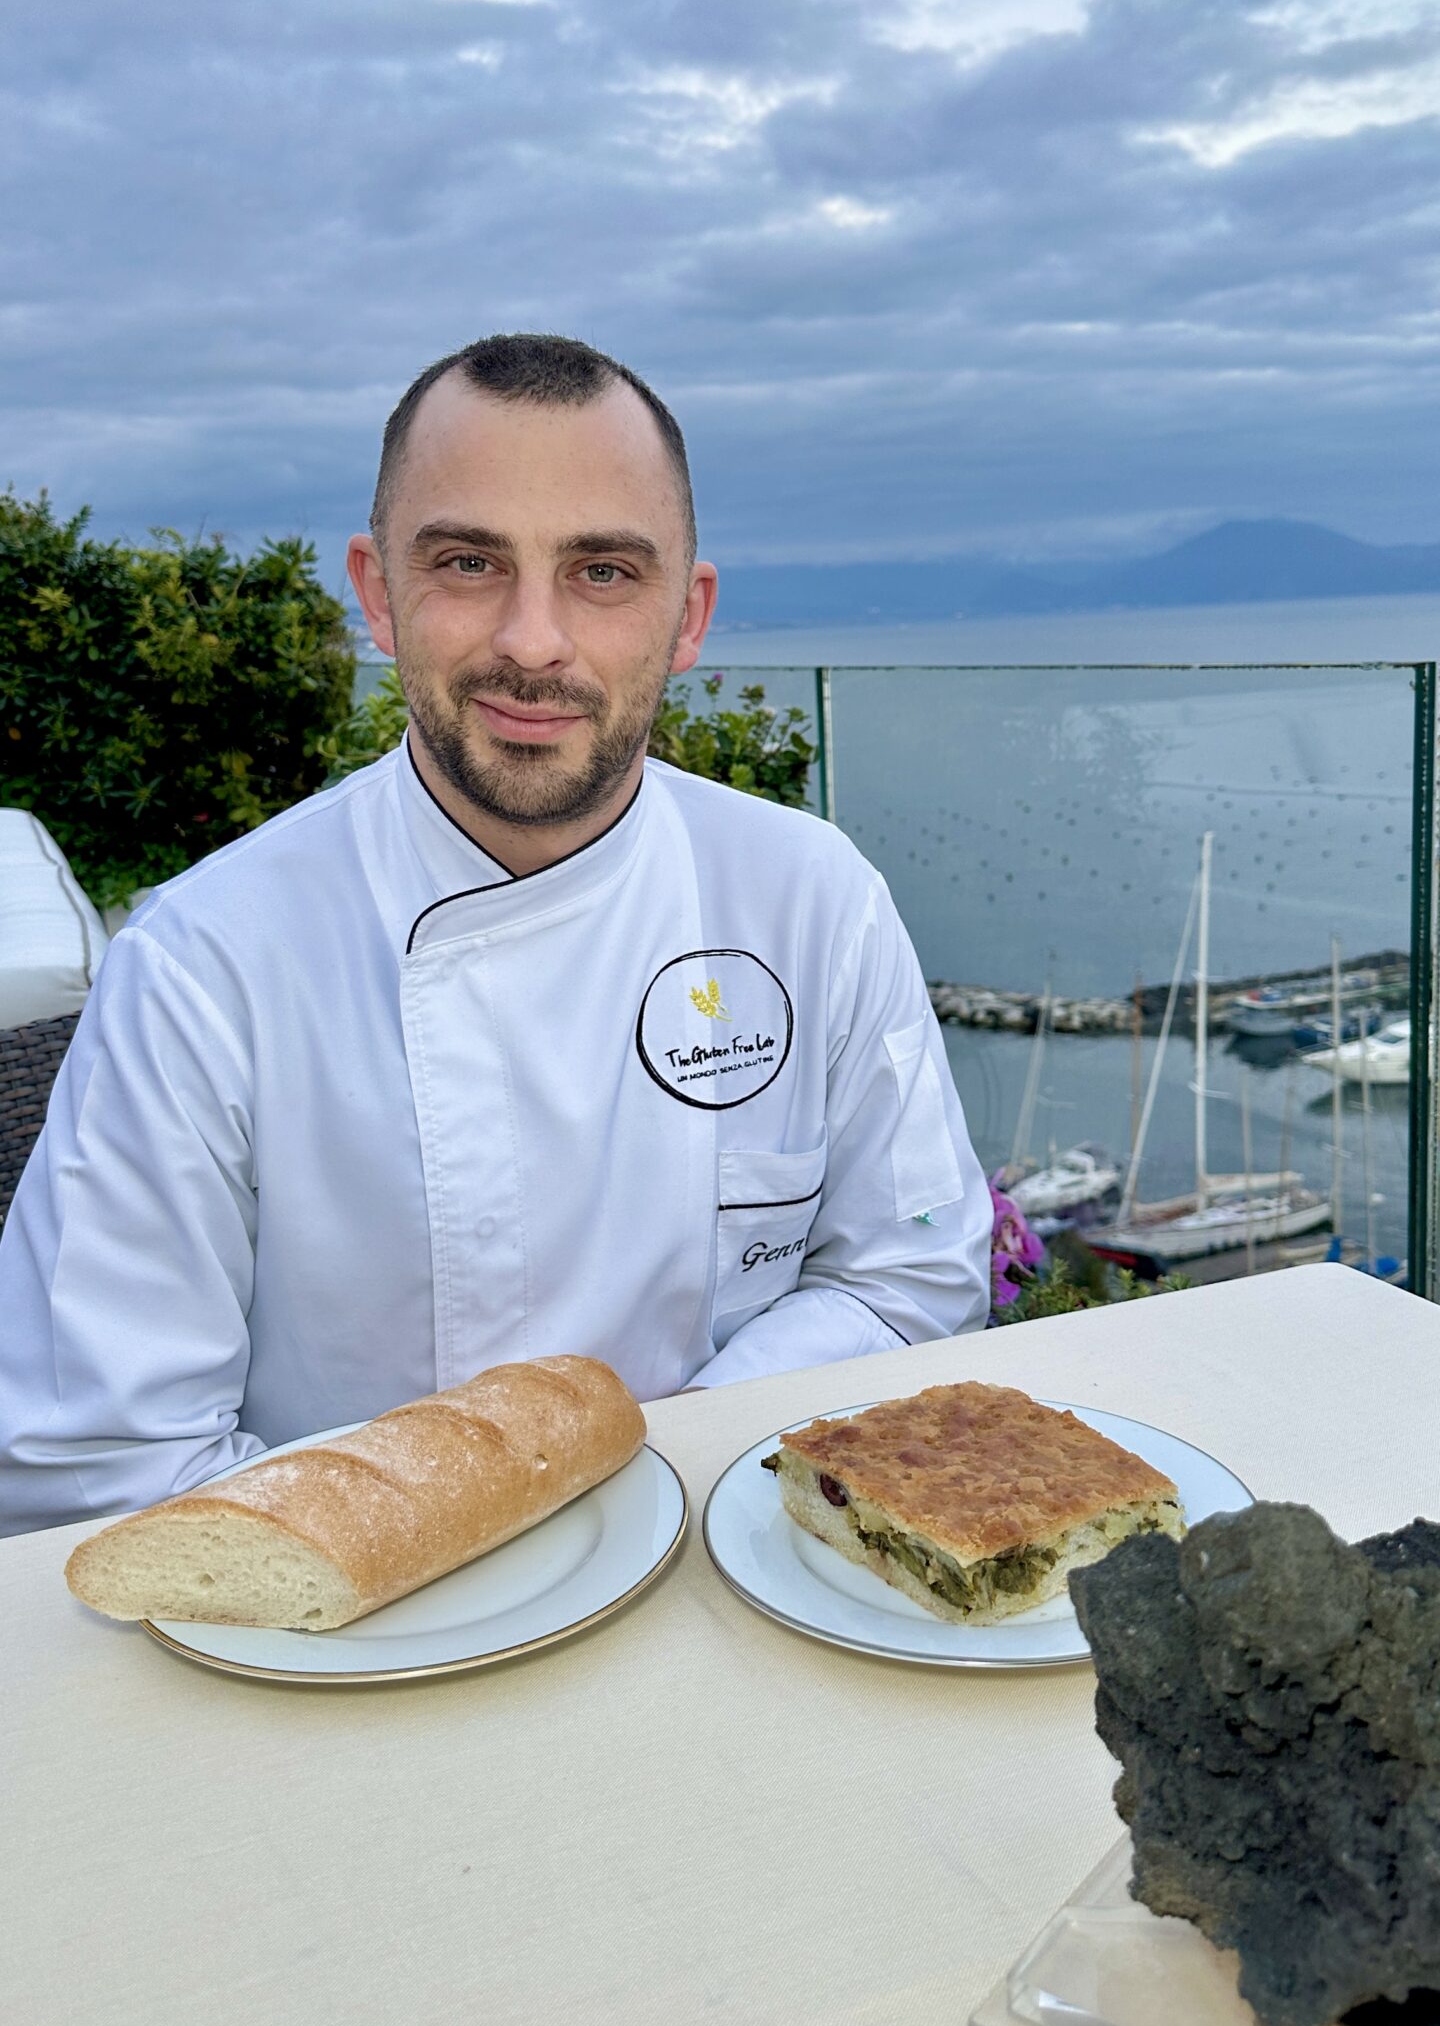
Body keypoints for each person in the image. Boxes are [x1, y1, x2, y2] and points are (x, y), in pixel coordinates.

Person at [0, 334, 990, 1534]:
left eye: (605, 572)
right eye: (470, 562)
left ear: (690, 614)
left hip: (724, 1566)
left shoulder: (811, 897)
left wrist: (654, 1467)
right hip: (338, 1656)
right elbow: (98, 1460)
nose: (532, 641)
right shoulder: (204, 966)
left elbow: (910, 1277)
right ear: (377, 593)